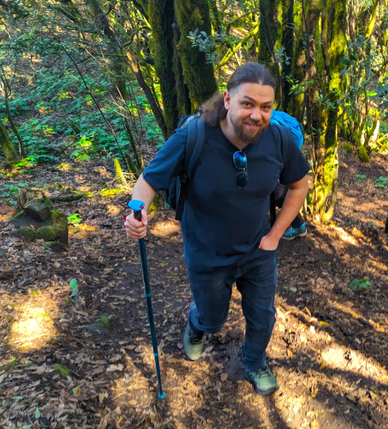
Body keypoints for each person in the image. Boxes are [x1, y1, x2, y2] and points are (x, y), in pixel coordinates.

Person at [124, 63, 310, 395]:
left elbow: (299, 185)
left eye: (266, 107)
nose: (257, 115)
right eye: (248, 104)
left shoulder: (278, 139)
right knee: (213, 319)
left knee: (263, 317)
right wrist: (137, 213)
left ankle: (254, 361)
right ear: (227, 100)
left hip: (258, 250)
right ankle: (197, 324)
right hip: (207, 254)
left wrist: (275, 235)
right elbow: (148, 181)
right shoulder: (194, 136)